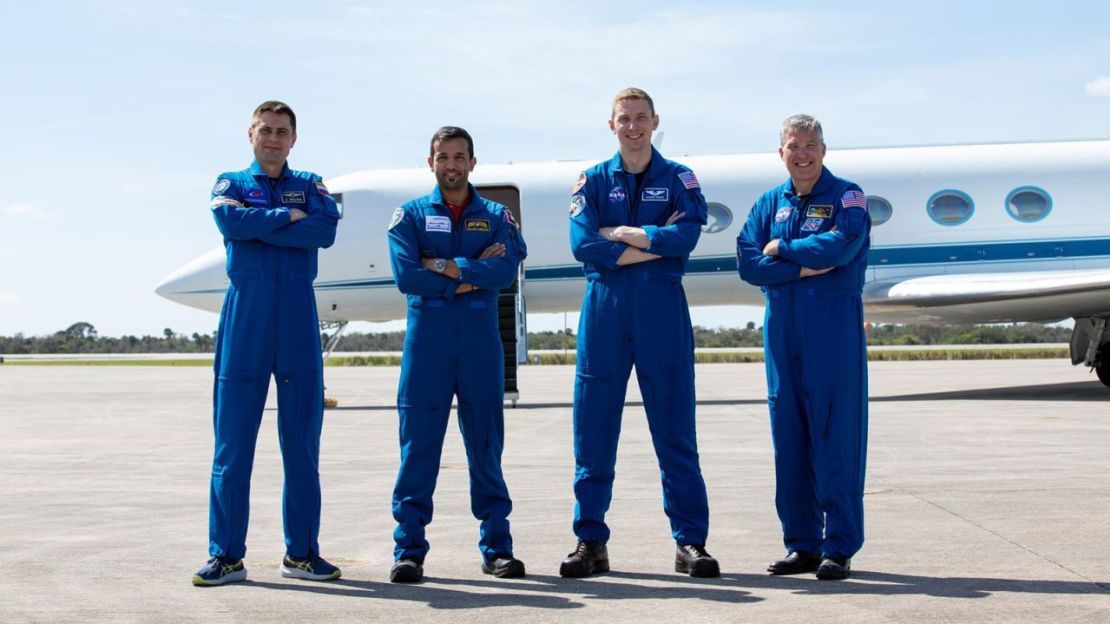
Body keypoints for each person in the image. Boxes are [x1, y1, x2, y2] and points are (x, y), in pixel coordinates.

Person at [562, 87, 719, 579]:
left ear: (655, 122)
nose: (632, 126)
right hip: (605, 315)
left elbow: (688, 235)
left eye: (640, 118)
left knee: (675, 433)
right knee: (593, 433)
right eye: (624, 119)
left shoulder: (679, 179)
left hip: (661, 313)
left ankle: (690, 542)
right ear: (612, 125)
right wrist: (656, 242)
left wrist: (628, 234)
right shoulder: (591, 181)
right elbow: (583, 243)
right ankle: (590, 541)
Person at [192, 101, 342, 586]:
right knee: (233, 445)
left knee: (302, 443)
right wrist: (287, 218)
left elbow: (324, 231)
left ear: (293, 139)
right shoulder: (230, 183)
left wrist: (268, 222)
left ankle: (301, 554)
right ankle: (226, 556)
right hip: (247, 316)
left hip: (298, 316)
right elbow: (231, 224)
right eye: (266, 130)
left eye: (282, 131)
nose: (273, 138)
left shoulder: (313, 184)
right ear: (250, 135)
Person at [386, 126, 528, 583]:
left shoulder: (498, 215)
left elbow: (506, 268)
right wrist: (472, 275)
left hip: (479, 346)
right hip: (427, 345)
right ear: (431, 163)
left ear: (472, 162)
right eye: (442, 156)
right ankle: (409, 550)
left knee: (486, 446)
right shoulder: (408, 215)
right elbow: (408, 276)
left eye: (459, 156)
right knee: (418, 449)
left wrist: (446, 267)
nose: (451, 164)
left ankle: (497, 547)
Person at [736, 114, 871, 581]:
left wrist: (782, 250)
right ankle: (803, 543)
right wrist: (800, 263)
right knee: (788, 435)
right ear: (782, 153)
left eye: (811, 144)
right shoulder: (768, 202)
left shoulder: (847, 196)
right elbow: (749, 262)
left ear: (824, 149)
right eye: (794, 146)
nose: (803, 153)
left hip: (831, 328)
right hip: (781, 329)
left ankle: (839, 545)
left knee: (836, 433)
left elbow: (842, 246)